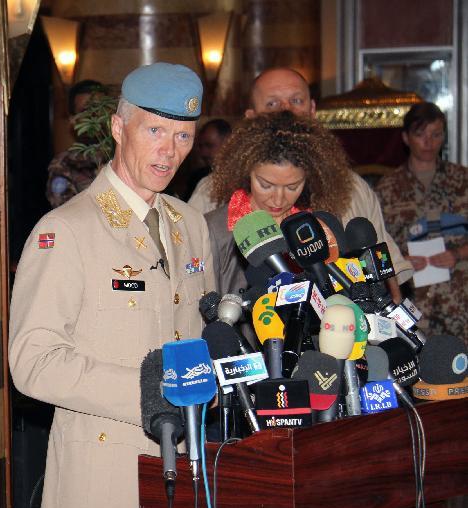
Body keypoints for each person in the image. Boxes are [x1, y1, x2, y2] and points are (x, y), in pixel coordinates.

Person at [9, 63, 214, 508]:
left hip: (182, 490)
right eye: (154, 130)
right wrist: (145, 391)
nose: (168, 150)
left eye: (183, 135)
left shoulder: (188, 225)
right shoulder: (68, 231)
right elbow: (33, 360)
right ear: (120, 128)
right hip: (101, 491)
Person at [188, 67, 412, 298]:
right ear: (251, 118)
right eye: (273, 104)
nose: (287, 112)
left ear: (313, 110)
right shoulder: (211, 192)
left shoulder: (351, 188)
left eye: (296, 100)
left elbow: (386, 272)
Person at [205, 110, 353, 295]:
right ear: (246, 170)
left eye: (292, 187)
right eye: (266, 185)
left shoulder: (320, 225)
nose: (278, 199)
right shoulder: (213, 230)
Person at [375, 102, 468, 341]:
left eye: (436, 135)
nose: (429, 142)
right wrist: (399, 261)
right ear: (406, 138)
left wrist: (458, 253)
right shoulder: (387, 188)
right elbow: (376, 245)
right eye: (421, 135)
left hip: (461, 298)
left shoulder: (463, 180)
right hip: (414, 300)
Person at [46, 79, 107, 209]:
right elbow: (66, 214)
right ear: (73, 119)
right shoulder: (65, 164)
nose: (94, 116)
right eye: (86, 111)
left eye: (99, 109)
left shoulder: (123, 155)